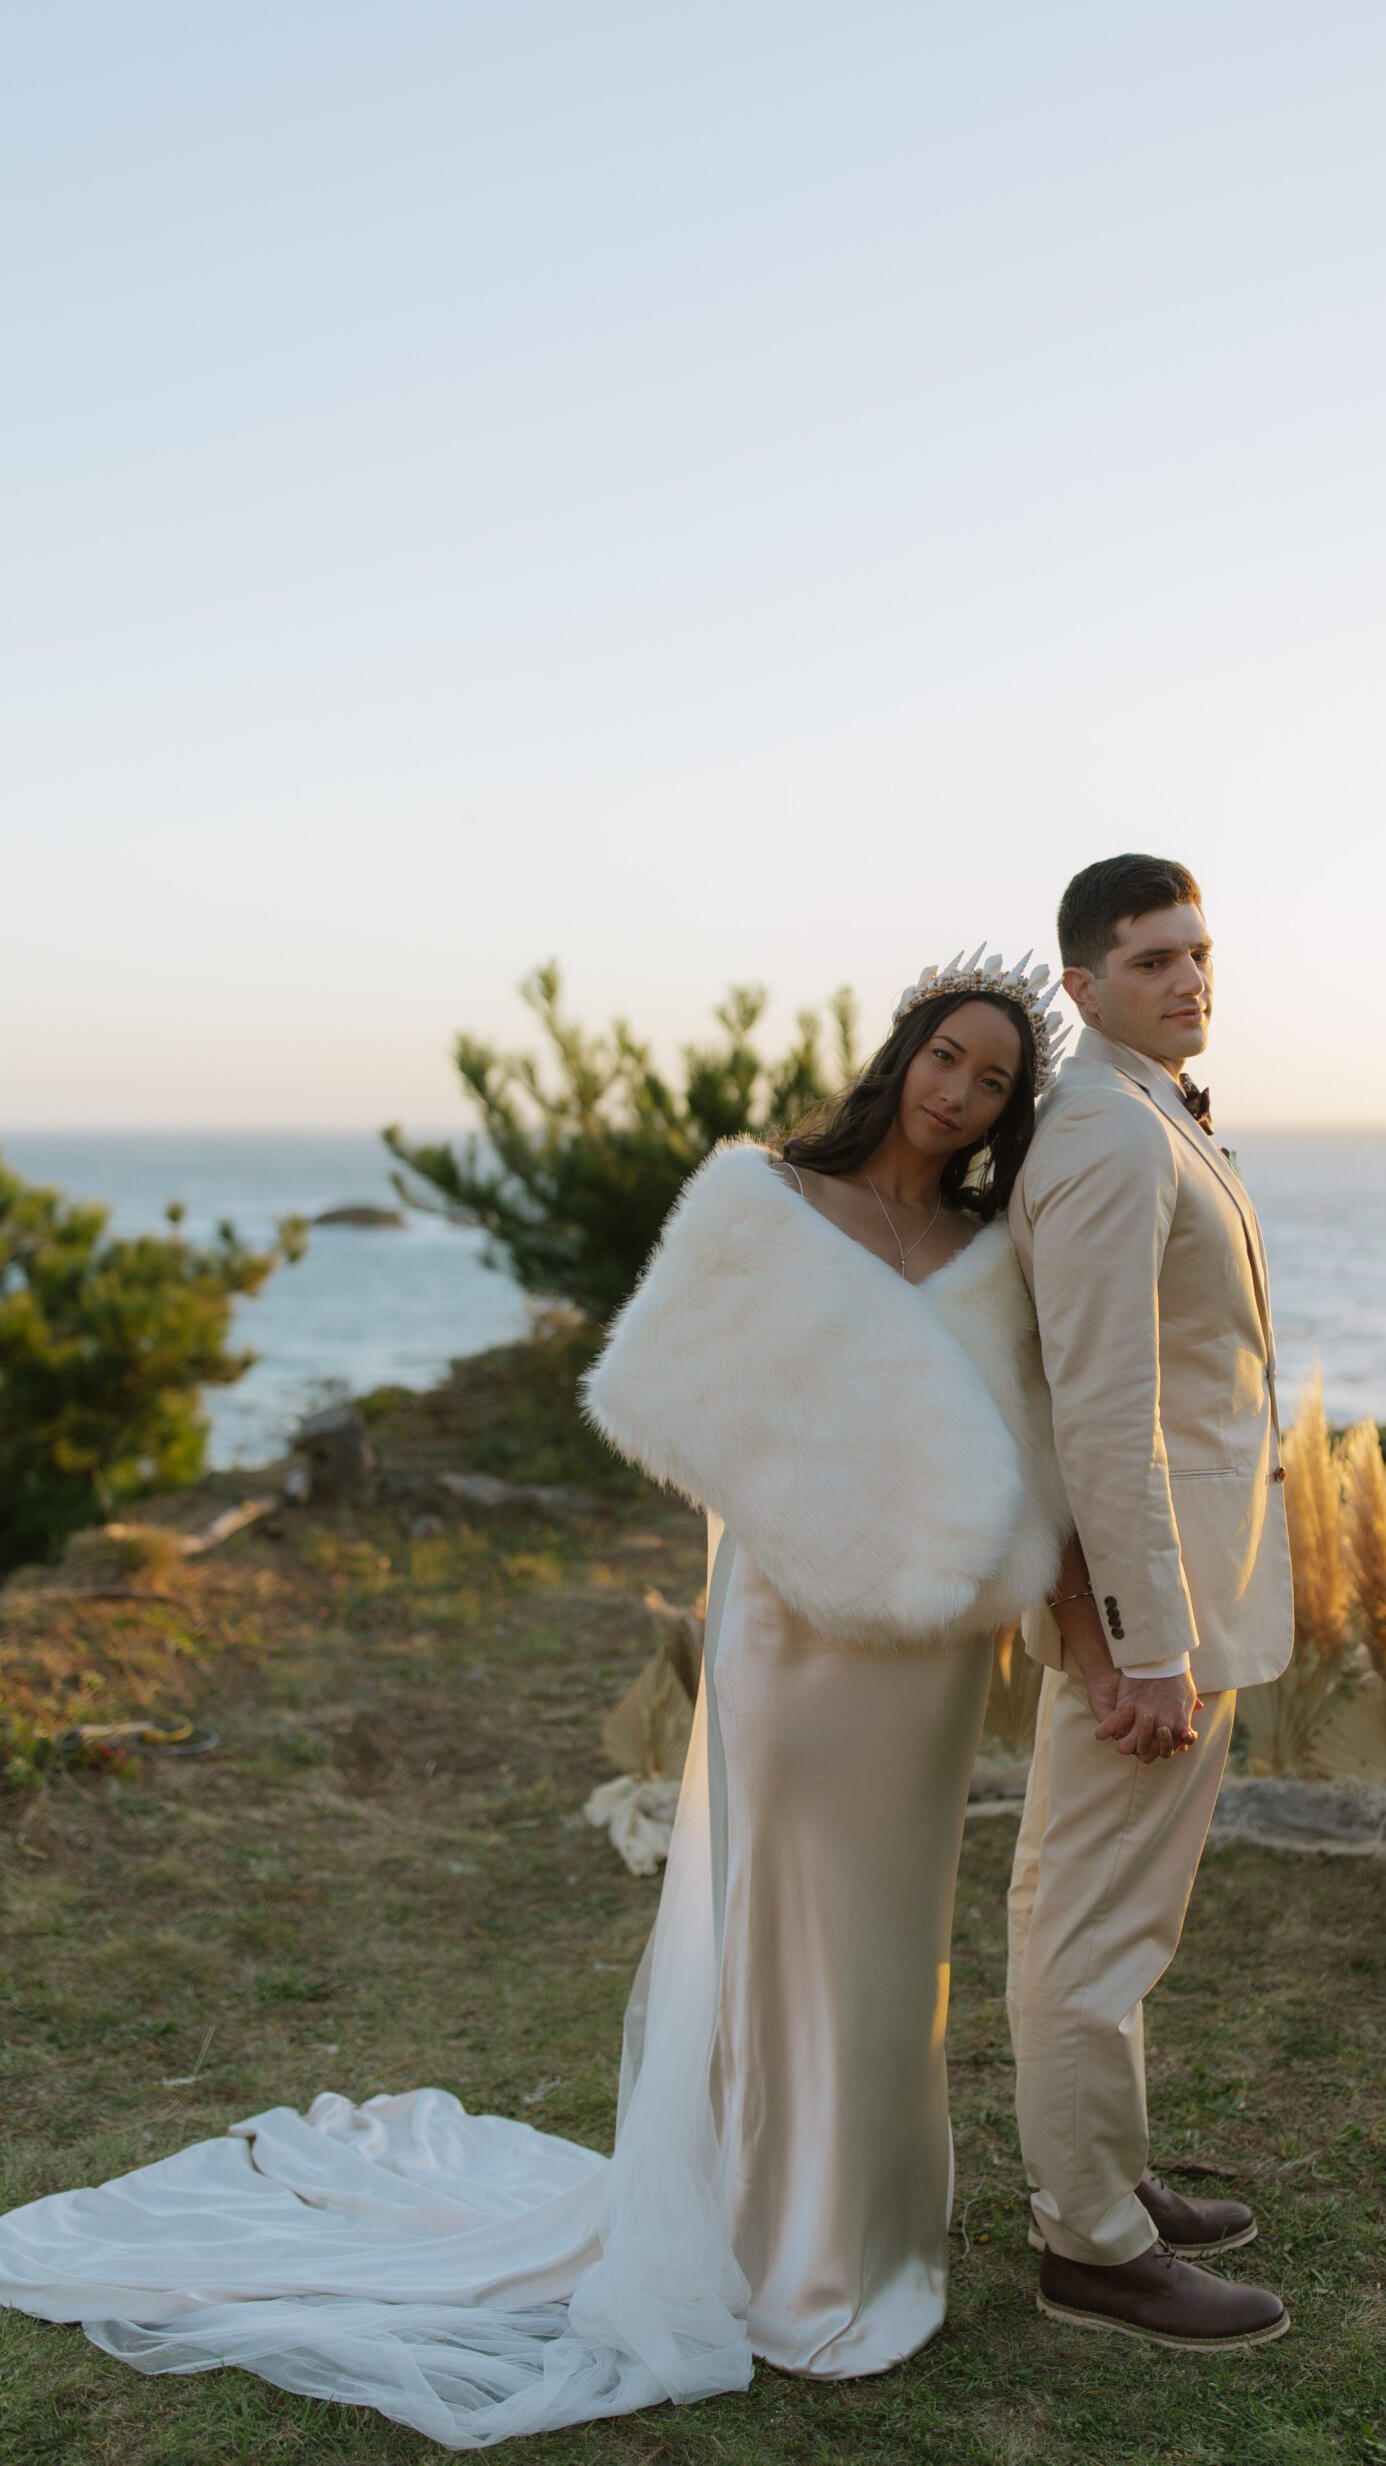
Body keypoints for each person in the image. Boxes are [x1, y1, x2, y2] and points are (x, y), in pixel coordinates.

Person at [0, 946, 1076, 2450]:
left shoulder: (985, 1241)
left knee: (897, 1940)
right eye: (946, 1057)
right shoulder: (765, 1200)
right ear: (901, 1054)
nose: (961, 1092)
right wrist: (810, 1516)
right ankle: (779, 2254)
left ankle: (874, 2241)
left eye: (996, 1082)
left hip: (929, 1660)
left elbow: (1022, 1441)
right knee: (784, 1917)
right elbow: (671, 1393)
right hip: (793, 1638)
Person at [1005, 853, 1296, 2353]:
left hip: (1180, 1591)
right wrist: (1143, 1642)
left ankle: (1100, 2176)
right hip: (1150, 1615)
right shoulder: (1110, 1139)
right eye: (1151, 961)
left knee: (1115, 1910)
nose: (1188, 980)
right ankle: (1092, 2246)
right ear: (1081, 985)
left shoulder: (1147, 1118)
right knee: (1090, 1923)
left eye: (1197, 952)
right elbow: (1102, 1412)